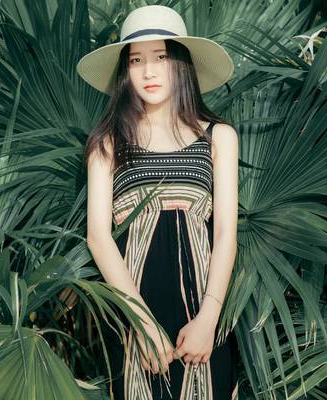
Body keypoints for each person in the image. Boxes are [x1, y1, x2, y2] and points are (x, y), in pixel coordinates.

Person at [79, 5, 239, 400]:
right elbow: (98, 237)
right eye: (136, 60)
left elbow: (225, 234)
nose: (149, 71)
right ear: (125, 71)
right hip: (135, 312)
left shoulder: (219, 136)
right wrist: (142, 325)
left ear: (181, 62)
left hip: (204, 310)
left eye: (161, 57)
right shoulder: (107, 143)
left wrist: (209, 319)